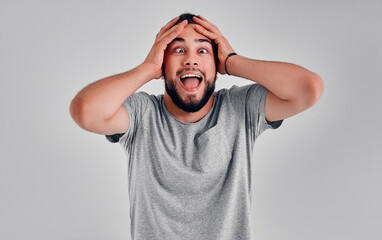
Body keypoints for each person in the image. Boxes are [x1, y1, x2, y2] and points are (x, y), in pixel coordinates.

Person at [70, 13, 323, 240]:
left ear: (216, 64)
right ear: (162, 63)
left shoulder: (239, 107)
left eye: (203, 51)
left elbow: (308, 89)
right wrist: (147, 68)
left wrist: (233, 61)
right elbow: (85, 111)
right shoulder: (141, 114)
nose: (191, 60)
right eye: (178, 51)